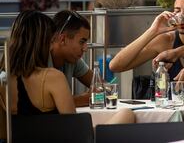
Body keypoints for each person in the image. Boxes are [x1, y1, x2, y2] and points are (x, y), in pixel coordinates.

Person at [0, 11, 134, 139]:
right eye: (51, 39)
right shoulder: (53, 77)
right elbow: (74, 131)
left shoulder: (4, 80)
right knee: (126, 114)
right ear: (43, 41)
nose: (52, 44)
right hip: (59, 138)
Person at [50, 10, 93, 107]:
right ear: (62, 39)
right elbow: (48, 104)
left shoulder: (72, 58)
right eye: (82, 42)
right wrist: (86, 98)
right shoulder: (39, 58)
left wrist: (100, 90)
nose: (85, 48)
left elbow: (100, 85)